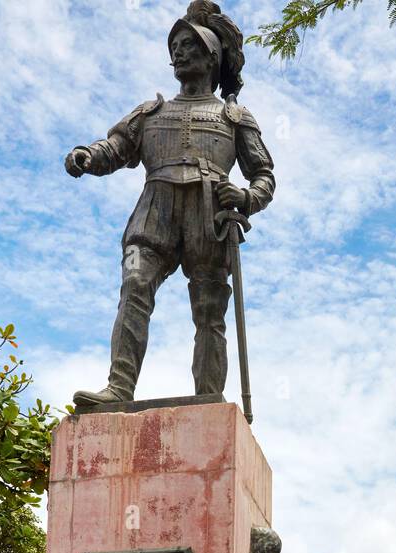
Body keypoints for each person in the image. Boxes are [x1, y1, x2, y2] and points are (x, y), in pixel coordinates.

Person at [64, 2, 275, 406]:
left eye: (187, 46)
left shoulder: (234, 117)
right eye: (175, 46)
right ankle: (119, 388)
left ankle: (209, 399)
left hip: (209, 216)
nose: (178, 53)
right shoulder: (151, 111)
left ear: (211, 57)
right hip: (153, 212)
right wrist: (87, 155)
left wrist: (247, 197)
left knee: (210, 312)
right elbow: (116, 147)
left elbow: (264, 175)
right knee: (134, 284)